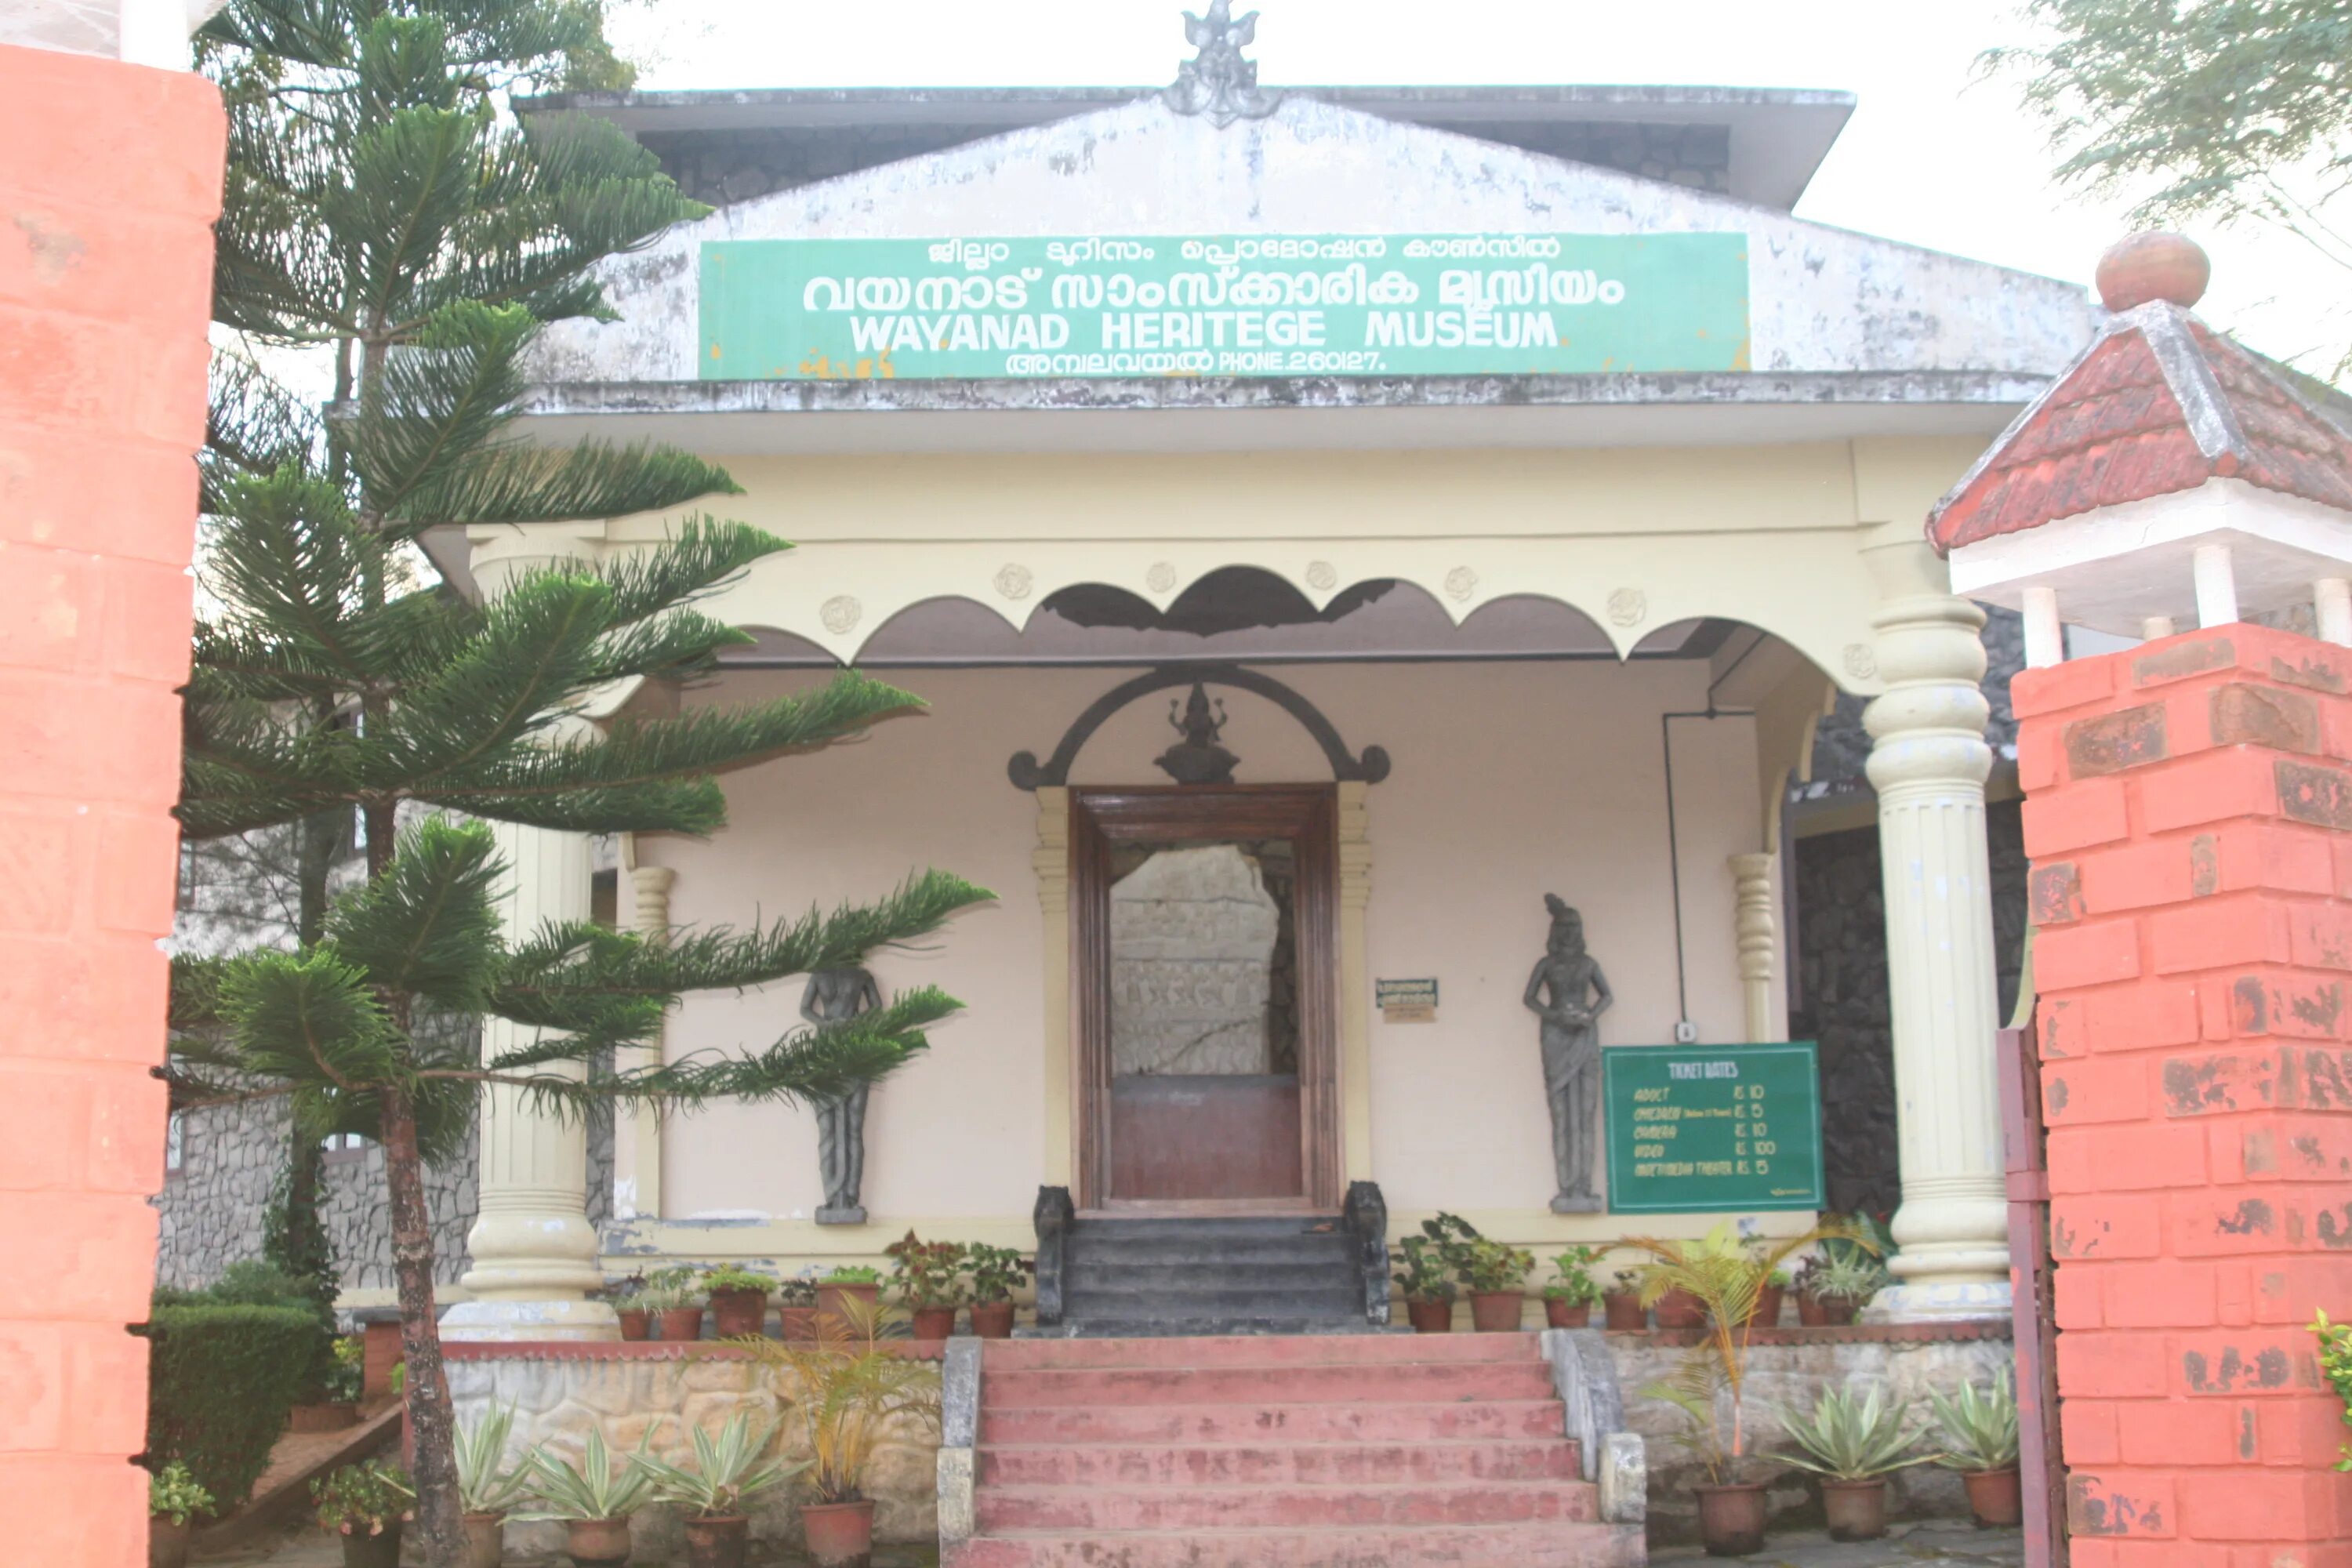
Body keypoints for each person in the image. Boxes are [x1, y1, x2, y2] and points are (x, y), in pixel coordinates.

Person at [1523, 895, 1613, 1212]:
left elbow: (1607, 996)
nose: (1569, 932)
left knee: (1585, 1112)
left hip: (1584, 1033)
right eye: (1563, 926)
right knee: (1561, 1113)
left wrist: (1590, 1015)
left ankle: (1584, 1186)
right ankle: (1566, 1186)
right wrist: (1554, 1015)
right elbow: (1530, 998)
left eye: (1574, 926)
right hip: (1556, 1034)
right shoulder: (1546, 964)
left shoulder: (1589, 964)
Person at [802, 965, 882, 1220]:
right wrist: (826, 1024)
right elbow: (805, 1009)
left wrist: (854, 1023)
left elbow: (877, 1009)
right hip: (826, 1049)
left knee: (853, 1126)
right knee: (827, 1127)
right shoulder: (819, 975)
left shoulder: (862, 975)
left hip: (856, 1047)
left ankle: (849, 1196)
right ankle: (831, 1196)